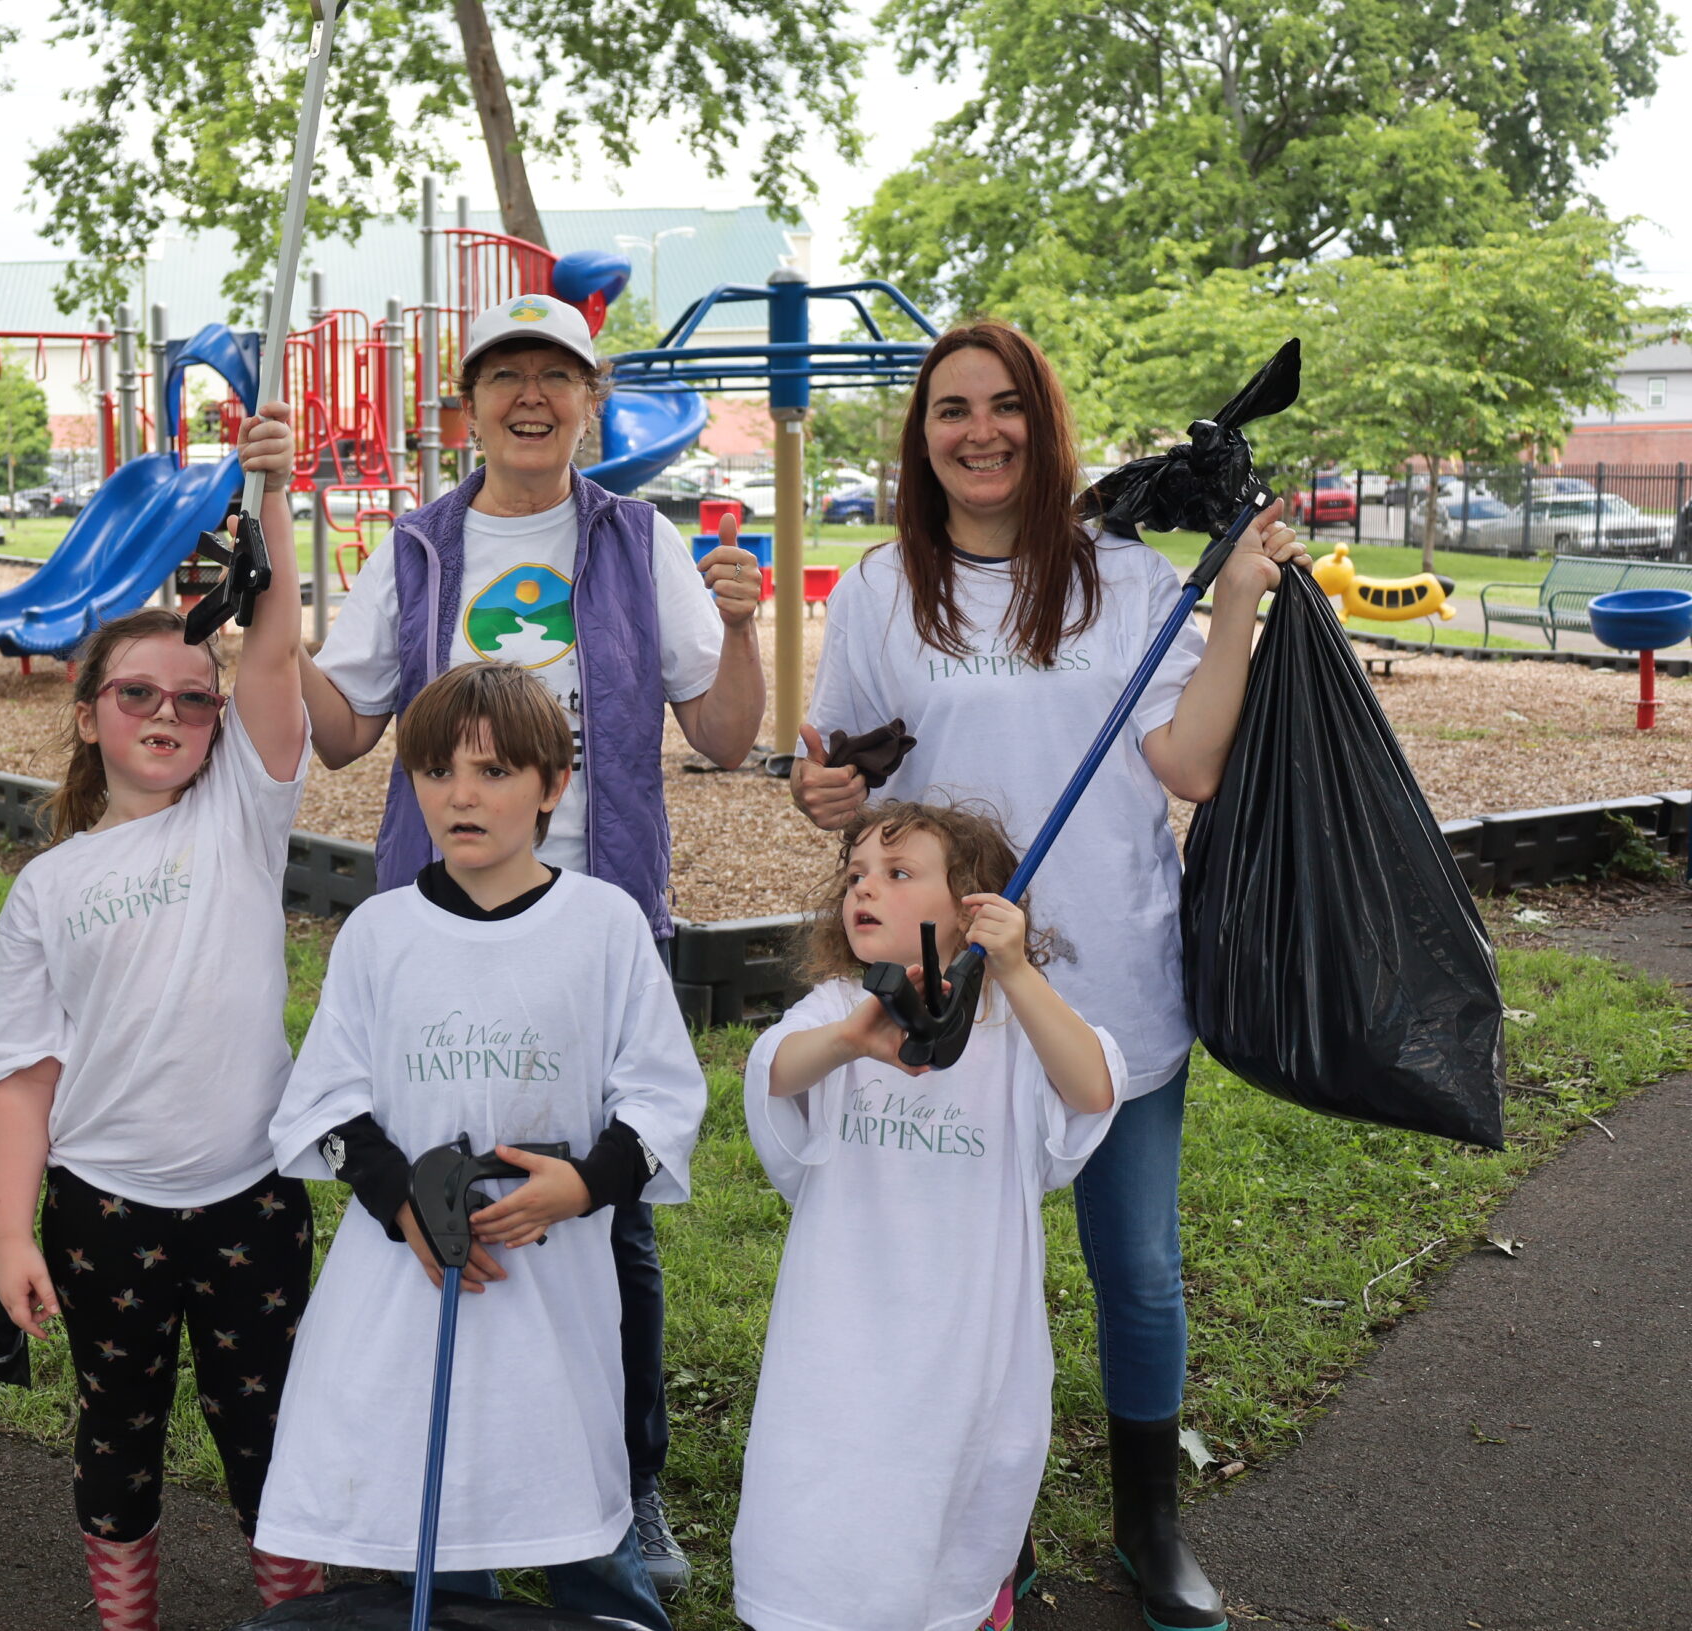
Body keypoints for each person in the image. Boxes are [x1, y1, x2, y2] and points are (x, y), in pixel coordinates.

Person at [786, 321, 1306, 1631]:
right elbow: (846, 794)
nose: (979, 430)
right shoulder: (873, 592)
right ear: (922, 435)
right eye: (951, 408)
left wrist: (1234, 594)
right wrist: (820, 788)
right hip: (942, 998)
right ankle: (973, 1531)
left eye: (1005, 405)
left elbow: (1187, 766)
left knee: (1135, 1268)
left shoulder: (1124, 581)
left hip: (1106, 987)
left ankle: (1149, 1521)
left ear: (1044, 420)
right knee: (965, 1281)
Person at [301, 294, 762, 1586]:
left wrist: (737, 622)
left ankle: (627, 1487)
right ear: (470, 405)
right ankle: (434, 1478)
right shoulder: (417, 547)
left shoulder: (634, 538)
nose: (530, 394)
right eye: (504, 372)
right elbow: (340, 729)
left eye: (556, 374)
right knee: (437, 1192)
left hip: (595, 918)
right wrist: (265, 621)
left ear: (589, 400)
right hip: (444, 922)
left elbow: (725, 736)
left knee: (612, 1217)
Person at [256, 662, 707, 1631]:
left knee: (581, 1518)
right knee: (445, 1523)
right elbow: (326, 1097)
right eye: (435, 770)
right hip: (420, 1280)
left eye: (494, 770)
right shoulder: (380, 932)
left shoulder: (602, 926)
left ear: (553, 785)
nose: (460, 795)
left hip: (555, 1283)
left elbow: (661, 1091)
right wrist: (398, 1194)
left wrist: (585, 1184)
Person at [0, 411, 312, 1631]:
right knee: (116, 1428)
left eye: (190, 696)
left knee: (269, 1428)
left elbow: (271, 661)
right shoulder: (44, 888)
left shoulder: (242, 814)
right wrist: (14, 1232)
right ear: (88, 712)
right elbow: (23, 1072)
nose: (167, 712)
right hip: (102, 1207)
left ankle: (295, 1613)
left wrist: (273, 498)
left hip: (250, 1195)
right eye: (136, 693)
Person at [734, 800, 1123, 1631]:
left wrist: (1014, 970)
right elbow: (775, 1070)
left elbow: (1092, 1087)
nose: (863, 888)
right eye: (856, 875)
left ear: (975, 903)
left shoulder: (1015, 1025)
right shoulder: (842, 1006)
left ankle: (969, 1602)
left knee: (957, 1501)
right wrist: (850, 1040)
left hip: (969, 1339)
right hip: (840, 1342)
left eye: (897, 873)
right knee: (825, 1503)